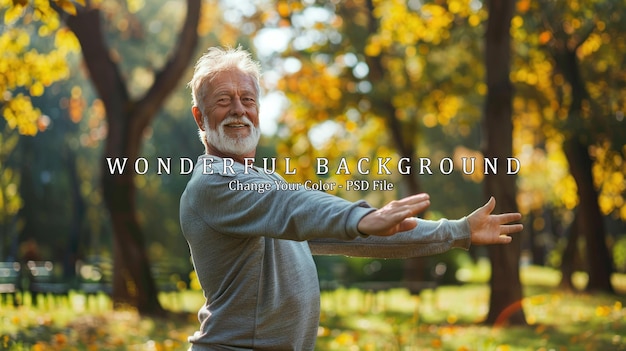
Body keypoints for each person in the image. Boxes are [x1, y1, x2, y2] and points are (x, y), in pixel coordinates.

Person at [179, 46, 523, 351]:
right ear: (200, 116)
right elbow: (289, 204)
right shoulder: (213, 183)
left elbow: (362, 236)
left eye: (247, 99)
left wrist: (457, 230)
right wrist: (358, 217)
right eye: (223, 100)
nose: (238, 109)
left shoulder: (266, 180)